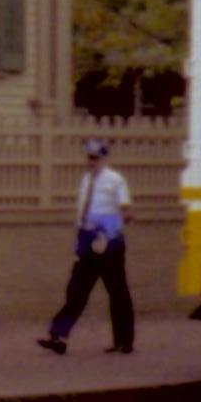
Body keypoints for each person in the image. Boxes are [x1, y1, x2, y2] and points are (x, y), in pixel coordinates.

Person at [39, 137, 134, 356]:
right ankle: (58, 335)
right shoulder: (85, 180)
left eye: (95, 158)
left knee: (117, 292)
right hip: (87, 240)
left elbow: (127, 213)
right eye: (88, 158)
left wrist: (106, 230)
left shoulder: (115, 180)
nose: (90, 162)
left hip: (108, 241)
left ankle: (124, 340)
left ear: (103, 158)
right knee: (76, 290)